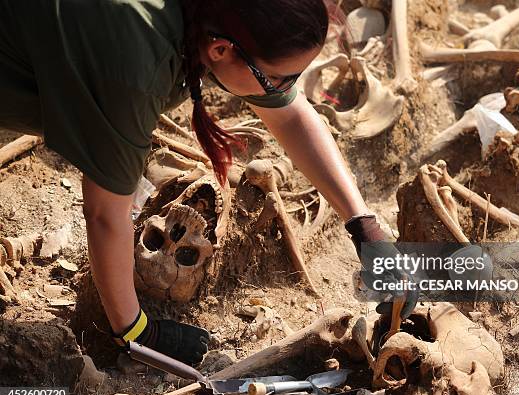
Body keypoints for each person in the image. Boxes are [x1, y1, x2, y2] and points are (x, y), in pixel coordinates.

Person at [0, 0, 417, 366]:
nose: (284, 90)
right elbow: (105, 214)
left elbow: (289, 114)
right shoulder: (136, 61)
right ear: (220, 50)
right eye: (280, 78)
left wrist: (364, 225)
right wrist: (135, 332)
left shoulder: (216, 17)